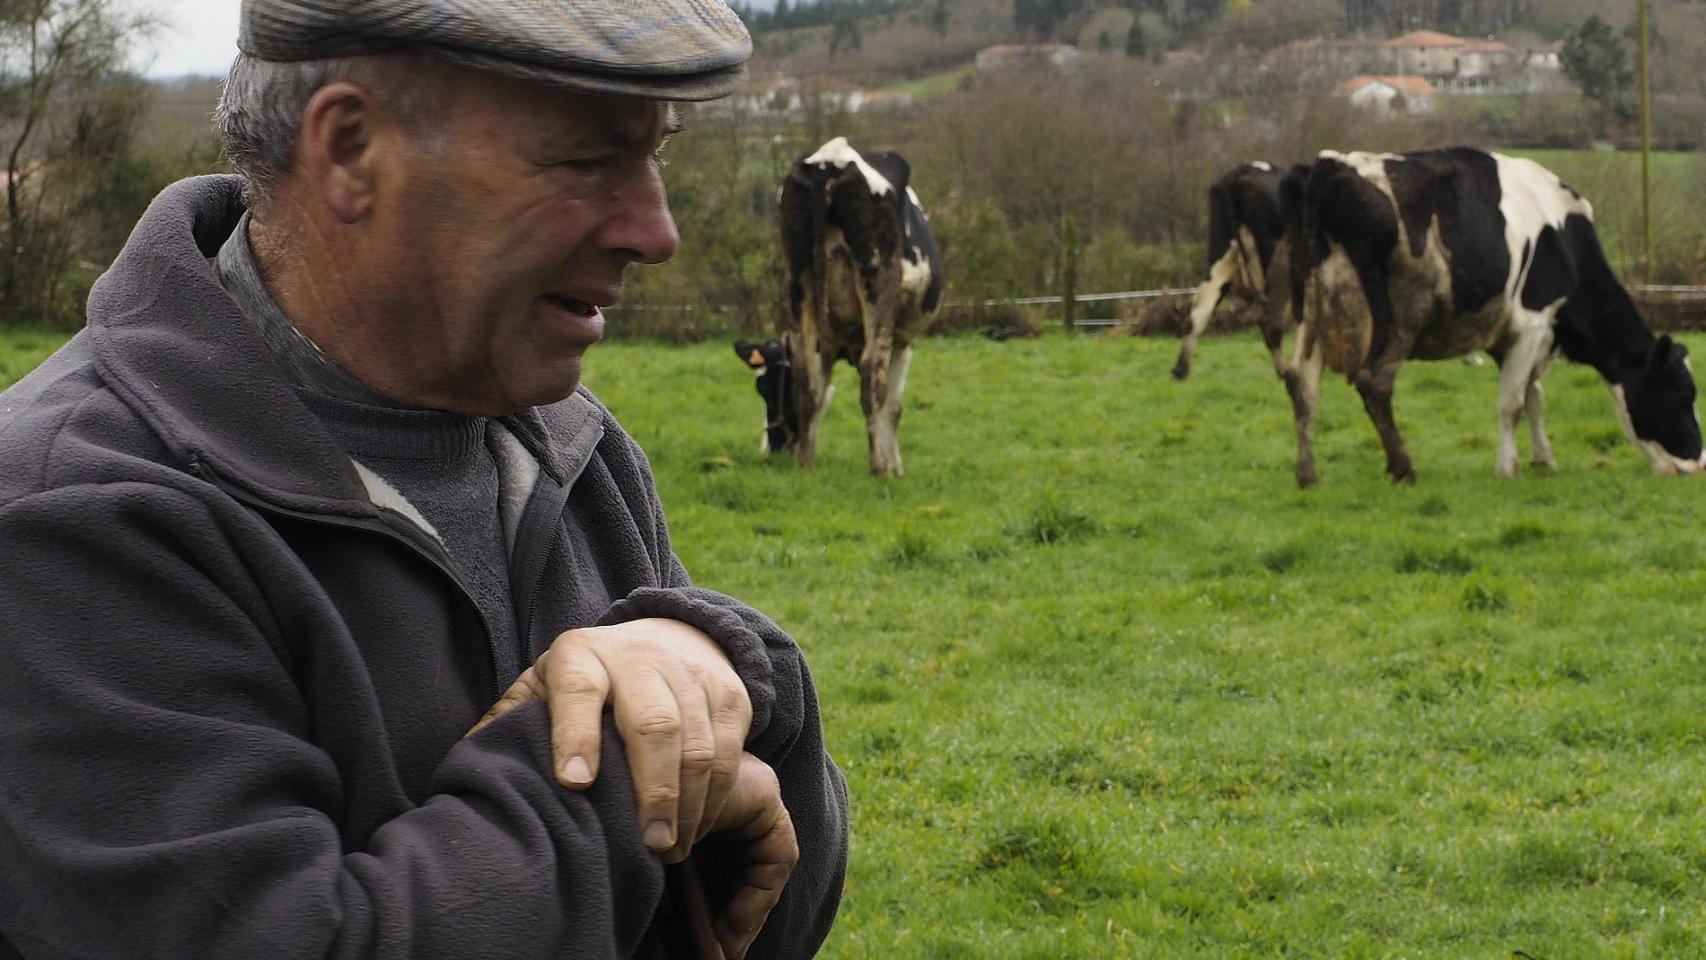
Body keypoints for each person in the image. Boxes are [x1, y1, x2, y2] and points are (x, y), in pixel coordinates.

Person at [0, 2, 847, 958]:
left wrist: (743, 679)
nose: (656, 232)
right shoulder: (69, 518)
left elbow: (746, 926)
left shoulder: (572, 452)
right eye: (584, 159)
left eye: (657, 154)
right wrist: (618, 760)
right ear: (353, 150)